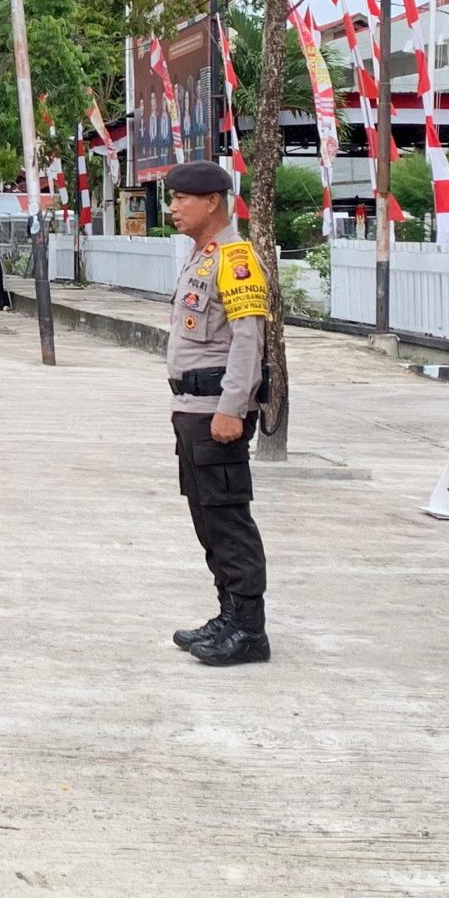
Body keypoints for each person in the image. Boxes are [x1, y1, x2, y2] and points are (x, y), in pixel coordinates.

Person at [162, 162, 271, 666]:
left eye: (183, 198)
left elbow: (249, 339)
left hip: (215, 413)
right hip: (191, 408)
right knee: (206, 517)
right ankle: (228, 614)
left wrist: (232, 408)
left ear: (213, 202)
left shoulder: (236, 258)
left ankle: (248, 629)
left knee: (228, 520)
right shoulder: (200, 258)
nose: (173, 207)